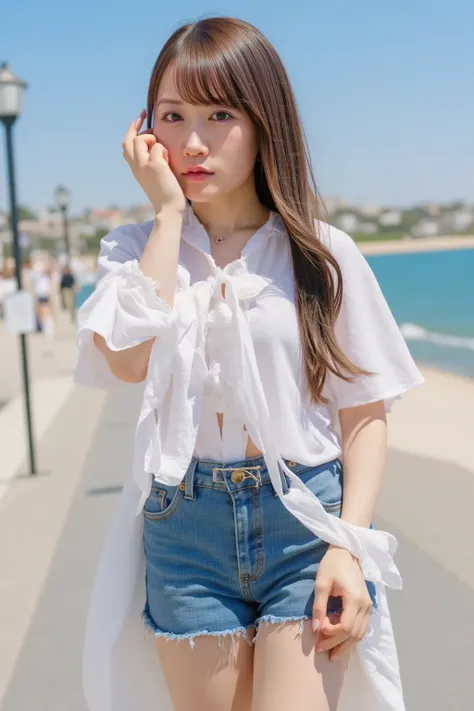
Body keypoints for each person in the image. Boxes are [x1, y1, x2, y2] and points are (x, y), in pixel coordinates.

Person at [74, 16, 423, 711]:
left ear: (265, 121)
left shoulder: (321, 254)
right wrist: (169, 216)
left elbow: (364, 414)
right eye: (172, 116)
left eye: (219, 114)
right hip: (185, 527)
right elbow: (128, 360)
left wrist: (349, 545)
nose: (192, 141)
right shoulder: (136, 247)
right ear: (146, 129)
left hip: (305, 519)